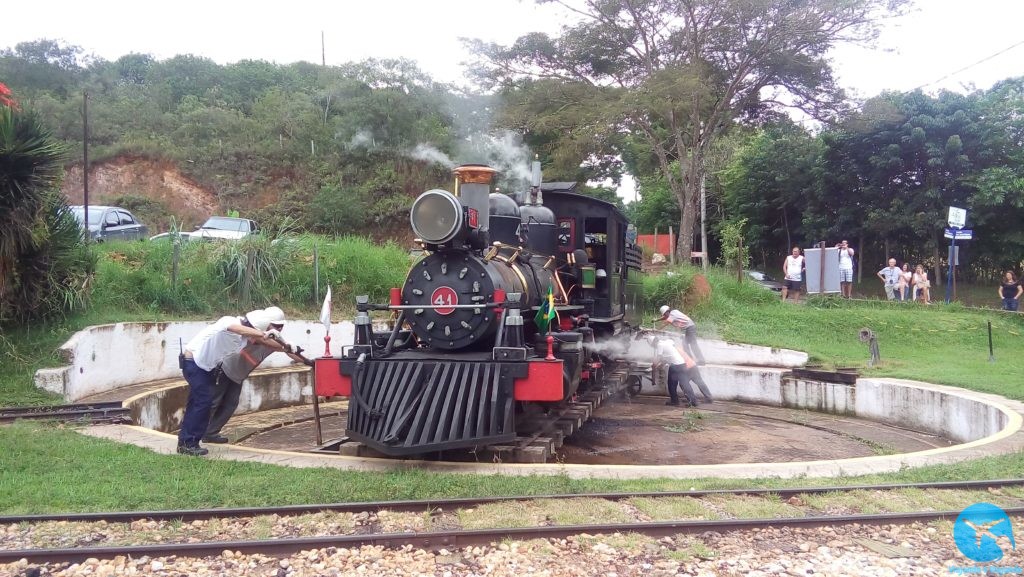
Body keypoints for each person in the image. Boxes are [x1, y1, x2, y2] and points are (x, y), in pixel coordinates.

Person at [177, 306, 285, 456]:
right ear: (252, 327)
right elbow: (236, 328)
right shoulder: (229, 321)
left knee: (198, 402)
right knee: (203, 402)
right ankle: (188, 443)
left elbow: (260, 339)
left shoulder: (242, 340)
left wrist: (287, 346)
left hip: (205, 368)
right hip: (193, 362)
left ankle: (186, 441)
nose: (256, 339)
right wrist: (264, 333)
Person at [204, 308, 308, 444]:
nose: (279, 329)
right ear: (267, 324)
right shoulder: (256, 333)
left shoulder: (276, 341)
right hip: (223, 370)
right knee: (213, 403)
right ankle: (196, 432)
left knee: (230, 404)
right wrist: (285, 346)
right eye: (276, 326)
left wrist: (308, 361)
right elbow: (263, 340)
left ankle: (211, 433)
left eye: (281, 326)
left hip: (237, 375)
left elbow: (289, 352)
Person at [652, 337, 697, 406]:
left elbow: (659, 357)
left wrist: (654, 365)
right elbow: (667, 357)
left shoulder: (659, 345)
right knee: (685, 384)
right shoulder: (667, 342)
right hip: (682, 364)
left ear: (654, 342)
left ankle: (675, 401)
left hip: (675, 366)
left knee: (671, 384)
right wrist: (660, 365)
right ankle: (693, 401)